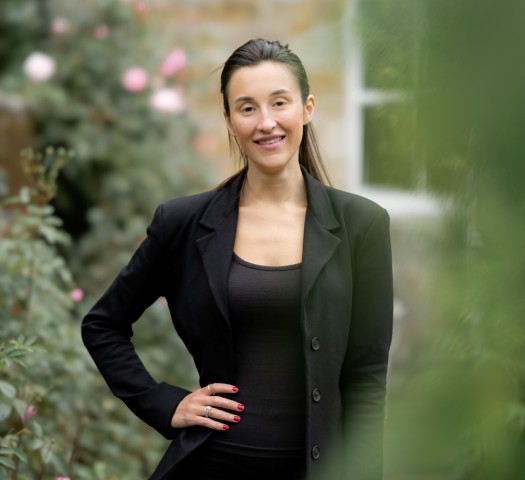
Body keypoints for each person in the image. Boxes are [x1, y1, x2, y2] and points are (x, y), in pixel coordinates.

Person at [82, 38, 393, 480]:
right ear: (229, 121)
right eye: (247, 108)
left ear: (307, 108)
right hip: (212, 469)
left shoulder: (362, 225)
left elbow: (366, 375)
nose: (266, 122)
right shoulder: (183, 223)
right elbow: (103, 324)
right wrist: (164, 403)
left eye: (279, 102)